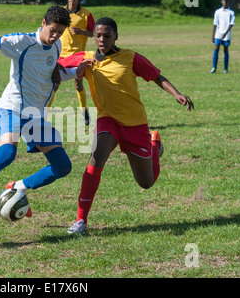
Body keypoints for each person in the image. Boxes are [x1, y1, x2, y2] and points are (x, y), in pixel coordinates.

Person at [0, 6, 88, 222]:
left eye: (60, 32)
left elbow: (51, 76)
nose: (55, 36)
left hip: (35, 115)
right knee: (6, 154)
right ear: (43, 23)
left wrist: (75, 72)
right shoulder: (21, 42)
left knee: (62, 166)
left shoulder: (57, 45)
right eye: (52, 30)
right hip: (12, 107)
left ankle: (18, 187)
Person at [58, 17, 194, 234]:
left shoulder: (130, 57)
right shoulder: (87, 58)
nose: (102, 40)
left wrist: (176, 94)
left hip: (135, 124)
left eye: (107, 35)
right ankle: (81, 220)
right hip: (107, 120)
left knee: (146, 183)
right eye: (98, 35)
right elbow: (56, 66)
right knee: (96, 156)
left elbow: (157, 76)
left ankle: (154, 146)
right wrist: (74, 70)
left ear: (116, 36)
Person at [47, 0, 95, 125]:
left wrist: (82, 32)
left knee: (78, 83)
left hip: (78, 55)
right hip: (61, 55)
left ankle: (83, 110)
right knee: (54, 83)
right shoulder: (61, 13)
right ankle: (44, 115)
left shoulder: (86, 14)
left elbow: (93, 33)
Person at [210, 0, 235, 74]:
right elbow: (215, 24)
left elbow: (231, 24)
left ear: (228, 2)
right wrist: (213, 35)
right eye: (223, 0)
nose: (225, 2)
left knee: (225, 50)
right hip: (218, 33)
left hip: (226, 34)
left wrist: (225, 33)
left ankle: (225, 68)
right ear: (221, 1)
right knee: (216, 48)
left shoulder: (231, 12)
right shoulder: (218, 12)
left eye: (226, 0)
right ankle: (214, 67)